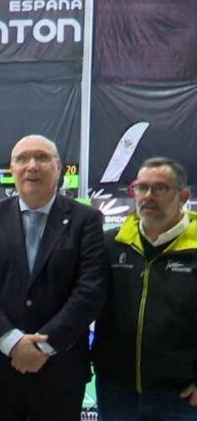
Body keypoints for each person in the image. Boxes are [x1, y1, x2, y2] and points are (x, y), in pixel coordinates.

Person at [0, 134, 108, 421]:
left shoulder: (86, 220)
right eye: (22, 159)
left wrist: (43, 346)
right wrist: (12, 342)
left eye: (42, 158)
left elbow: (90, 291)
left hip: (61, 367)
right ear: (13, 169)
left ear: (58, 168)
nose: (32, 166)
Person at [92, 157, 197, 419]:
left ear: (183, 195)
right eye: (141, 188)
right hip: (116, 390)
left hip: (181, 395)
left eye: (159, 188)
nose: (147, 196)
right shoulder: (110, 244)